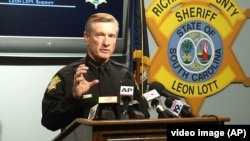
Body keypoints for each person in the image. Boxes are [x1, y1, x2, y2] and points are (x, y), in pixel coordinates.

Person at [41, 13, 150, 131]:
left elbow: (144, 115)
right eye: (100, 35)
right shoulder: (67, 76)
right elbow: (49, 121)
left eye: (111, 36)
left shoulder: (125, 75)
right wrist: (73, 98)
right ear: (86, 37)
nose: (106, 43)